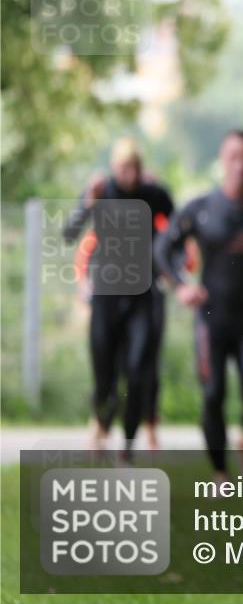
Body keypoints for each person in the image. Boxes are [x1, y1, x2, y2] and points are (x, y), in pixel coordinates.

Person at [154, 130, 243, 482]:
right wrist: (181, 285)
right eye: (233, 157)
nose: (240, 165)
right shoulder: (201, 209)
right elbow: (162, 249)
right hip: (211, 319)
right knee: (213, 394)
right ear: (223, 160)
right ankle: (221, 472)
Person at [63, 136, 174, 456]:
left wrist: (171, 269)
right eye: (125, 167)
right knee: (104, 371)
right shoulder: (102, 193)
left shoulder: (154, 194)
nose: (131, 173)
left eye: (136, 167)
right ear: (114, 167)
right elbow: (70, 233)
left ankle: (129, 442)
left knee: (139, 367)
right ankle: (100, 425)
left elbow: (178, 230)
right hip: (107, 296)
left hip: (143, 295)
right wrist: (87, 202)